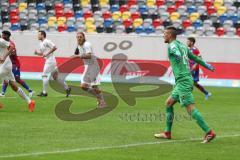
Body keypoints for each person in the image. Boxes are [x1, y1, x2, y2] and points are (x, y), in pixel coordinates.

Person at [154, 26, 216, 143]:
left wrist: (176, 54)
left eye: (165, 33)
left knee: (190, 108)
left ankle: (209, 132)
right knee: (169, 103)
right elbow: (195, 58)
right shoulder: (183, 46)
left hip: (183, 81)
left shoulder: (172, 45)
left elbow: (175, 51)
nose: (163, 35)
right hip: (183, 80)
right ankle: (167, 133)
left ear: (170, 35)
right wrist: (206, 65)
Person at [0, 34, 35, 112]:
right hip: (6, 66)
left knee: (13, 83)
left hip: (5, 65)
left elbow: (12, 46)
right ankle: (30, 102)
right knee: (13, 85)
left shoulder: (1, 41)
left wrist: (4, 57)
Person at [72, 32, 106, 108]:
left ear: (84, 37)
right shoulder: (79, 45)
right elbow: (77, 51)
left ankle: (102, 102)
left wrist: (77, 56)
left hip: (93, 67)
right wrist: (76, 54)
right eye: (77, 37)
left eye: (81, 37)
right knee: (83, 86)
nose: (79, 38)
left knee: (94, 86)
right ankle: (99, 97)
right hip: (87, 67)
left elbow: (89, 55)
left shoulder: (87, 44)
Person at [35, 30, 71, 97]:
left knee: (44, 75)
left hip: (50, 61)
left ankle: (44, 93)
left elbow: (55, 47)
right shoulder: (41, 43)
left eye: (39, 34)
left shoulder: (47, 41)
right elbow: (43, 54)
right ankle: (67, 88)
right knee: (56, 78)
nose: (38, 36)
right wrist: (37, 53)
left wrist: (47, 54)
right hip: (50, 61)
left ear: (42, 35)